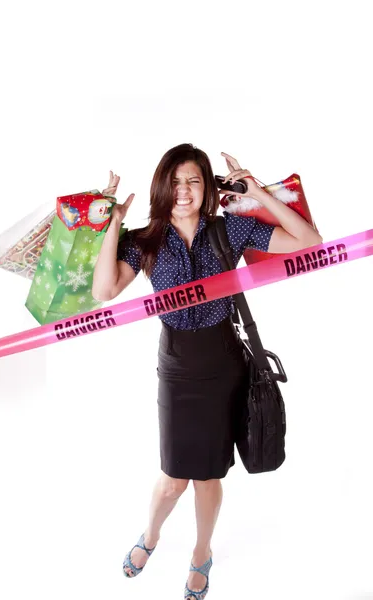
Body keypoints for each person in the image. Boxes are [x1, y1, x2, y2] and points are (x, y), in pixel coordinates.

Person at [92, 143, 322, 600]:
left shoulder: (230, 230)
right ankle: (152, 536)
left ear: (207, 187)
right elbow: (104, 290)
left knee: (209, 475)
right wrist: (114, 221)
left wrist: (257, 192)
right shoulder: (146, 239)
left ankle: (201, 553)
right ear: (163, 186)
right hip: (177, 366)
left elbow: (310, 243)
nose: (184, 191)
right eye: (175, 182)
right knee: (174, 475)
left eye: (193, 181)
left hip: (223, 363)